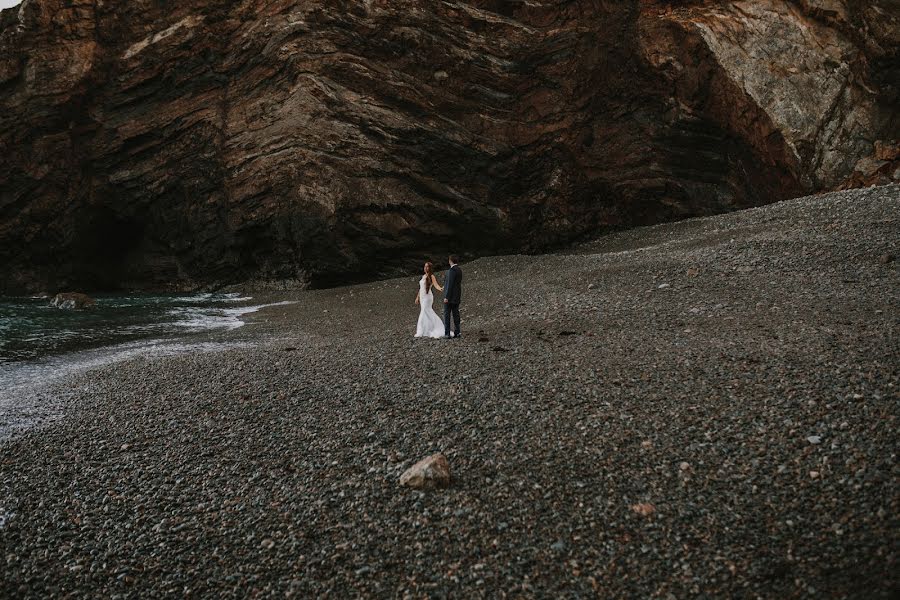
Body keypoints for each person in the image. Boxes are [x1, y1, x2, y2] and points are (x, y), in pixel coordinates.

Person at [414, 262, 445, 338]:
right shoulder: (423, 276)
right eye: (425, 266)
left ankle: (422, 330)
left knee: (425, 311)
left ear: (430, 268)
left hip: (428, 297)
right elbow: (420, 288)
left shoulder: (432, 276)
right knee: (426, 312)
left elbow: (436, 285)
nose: (425, 268)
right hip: (422, 296)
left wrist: (440, 288)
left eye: (427, 267)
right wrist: (417, 297)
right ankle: (427, 329)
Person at [442, 255, 462, 339]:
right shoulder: (459, 270)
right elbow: (455, 283)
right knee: (456, 314)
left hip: (450, 298)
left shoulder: (451, 270)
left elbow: (450, 284)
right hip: (457, 296)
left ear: (450, 261)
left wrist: (447, 296)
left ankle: (447, 333)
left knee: (447, 315)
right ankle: (457, 332)